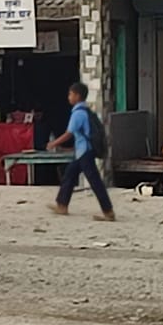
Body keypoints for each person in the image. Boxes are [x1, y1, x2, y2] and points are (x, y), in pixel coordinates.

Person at [47, 82, 114, 221]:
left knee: (95, 181)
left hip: (85, 152)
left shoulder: (78, 114)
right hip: (82, 152)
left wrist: (54, 143)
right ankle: (62, 204)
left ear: (77, 96)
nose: (69, 97)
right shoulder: (87, 111)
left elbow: (69, 133)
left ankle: (108, 211)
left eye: (70, 94)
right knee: (69, 176)